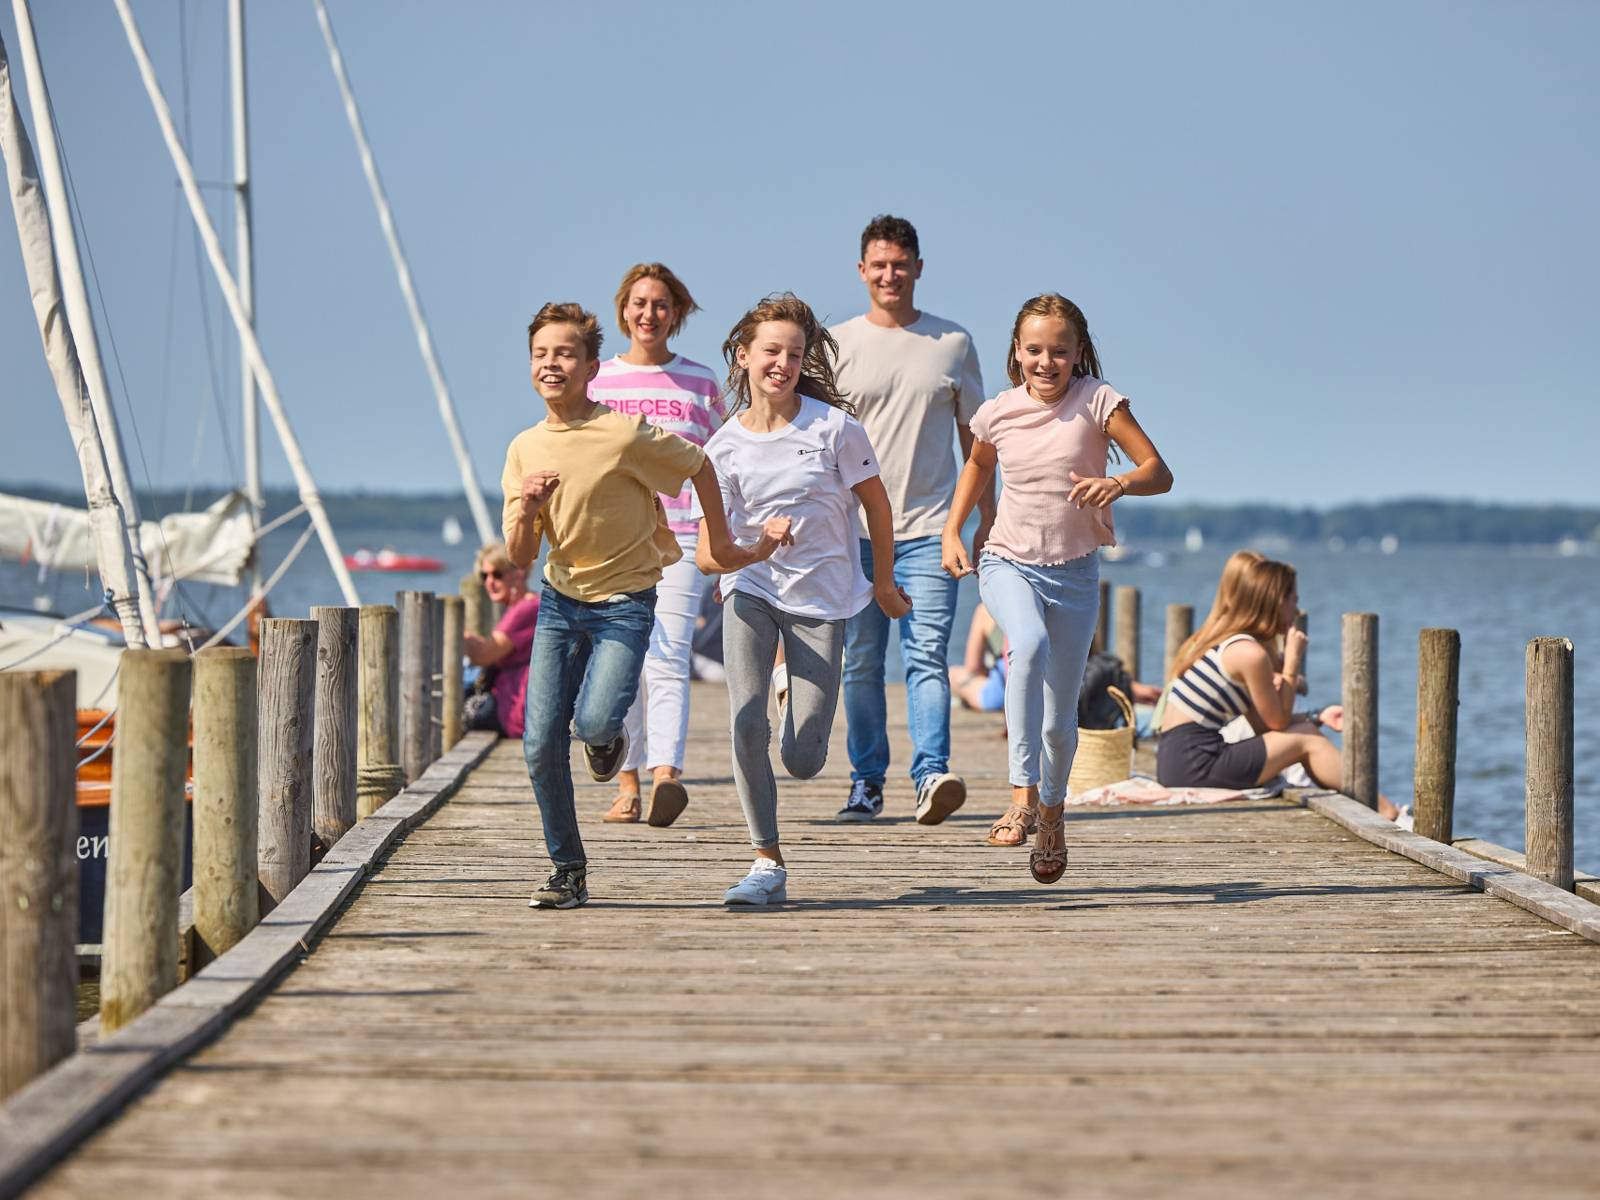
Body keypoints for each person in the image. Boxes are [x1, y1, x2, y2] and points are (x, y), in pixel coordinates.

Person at [504, 302, 782, 911]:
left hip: (626, 601)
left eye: (565, 354)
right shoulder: (525, 447)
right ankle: (567, 869)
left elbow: (699, 464)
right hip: (558, 602)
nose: (552, 365)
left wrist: (719, 541)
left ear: (591, 367)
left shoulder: (622, 432)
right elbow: (520, 553)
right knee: (538, 741)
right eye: (541, 355)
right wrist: (525, 506)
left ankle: (606, 742)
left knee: (598, 723)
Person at [942, 293, 1173, 884]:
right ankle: (1021, 795)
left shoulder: (1098, 401)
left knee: (1058, 718)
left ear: (1077, 354)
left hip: (1074, 572)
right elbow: (977, 466)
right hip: (1006, 559)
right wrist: (953, 530)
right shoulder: (997, 411)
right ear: (1017, 353)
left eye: (1060, 352)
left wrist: (1116, 484)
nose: (1046, 363)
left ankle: (1052, 811)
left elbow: (1158, 471)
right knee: (1028, 643)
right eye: (1035, 350)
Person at [699, 293, 909, 906]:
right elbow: (710, 551)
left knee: (804, 756)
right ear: (744, 356)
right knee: (744, 719)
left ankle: (797, 694)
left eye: (794, 354)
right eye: (771, 351)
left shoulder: (834, 428)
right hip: (752, 590)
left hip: (822, 597)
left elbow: (876, 507)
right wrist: (749, 556)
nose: (782, 364)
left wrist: (887, 584)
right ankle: (766, 861)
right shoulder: (723, 447)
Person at [831, 215, 992, 827]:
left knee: (926, 655)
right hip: (855, 534)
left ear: (919, 268)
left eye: (901, 264)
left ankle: (930, 776)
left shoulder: (952, 343)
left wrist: (984, 518)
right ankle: (866, 783)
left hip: (930, 529)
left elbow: (978, 442)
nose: (890, 274)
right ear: (862, 270)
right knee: (862, 662)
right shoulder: (836, 343)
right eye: (879, 264)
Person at [588, 264, 726, 827]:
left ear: (677, 313)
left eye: (661, 304)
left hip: (684, 538)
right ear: (624, 310)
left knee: (667, 655)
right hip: (614, 540)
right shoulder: (597, 380)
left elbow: (720, 463)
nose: (649, 314)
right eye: (640, 303)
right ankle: (626, 785)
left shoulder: (700, 382)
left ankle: (665, 774)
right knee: (622, 661)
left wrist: (725, 539)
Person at [1158, 554, 1407, 821]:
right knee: (1307, 740)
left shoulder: (1236, 645)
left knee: (1307, 732)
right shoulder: (1250, 653)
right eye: (1294, 600)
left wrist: (1316, 717)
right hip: (1194, 765)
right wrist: (1292, 662)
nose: (1297, 610)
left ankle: (1379, 808)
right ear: (1277, 602)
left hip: (1178, 762)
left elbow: (1262, 722)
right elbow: (1277, 722)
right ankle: (1385, 813)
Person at [461, 542, 539, 738]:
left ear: (519, 573)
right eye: (484, 576)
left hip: (514, 711)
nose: (489, 582)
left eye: (497, 574)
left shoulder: (525, 609)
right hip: (516, 705)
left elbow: (484, 655)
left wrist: (454, 633)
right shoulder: (521, 606)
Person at [949, 602, 1007, 713]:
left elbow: (972, 666)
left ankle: (963, 699)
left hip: (999, 693)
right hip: (1041, 689)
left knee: (952, 675)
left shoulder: (985, 610)